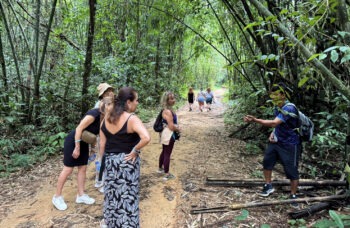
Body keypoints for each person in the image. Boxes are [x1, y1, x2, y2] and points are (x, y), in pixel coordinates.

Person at [52, 83, 114, 211]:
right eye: (110, 106)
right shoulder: (94, 113)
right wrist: (77, 147)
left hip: (85, 142)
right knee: (68, 169)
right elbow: (79, 128)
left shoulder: (104, 118)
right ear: (104, 105)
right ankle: (57, 196)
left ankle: (80, 195)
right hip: (74, 140)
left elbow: (96, 136)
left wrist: (93, 149)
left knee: (83, 168)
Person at [243, 83, 301, 209]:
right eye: (272, 94)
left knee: (291, 169)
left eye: (275, 94)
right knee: (267, 162)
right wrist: (273, 133)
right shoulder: (277, 107)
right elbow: (279, 125)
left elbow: (274, 123)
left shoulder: (289, 108)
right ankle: (268, 185)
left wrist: (255, 120)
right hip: (276, 141)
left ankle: (293, 195)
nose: (273, 97)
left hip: (290, 144)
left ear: (282, 95)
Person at [99, 87, 151, 228]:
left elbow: (102, 144)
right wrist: (135, 150)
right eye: (137, 100)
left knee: (112, 198)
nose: (138, 103)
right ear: (128, 102)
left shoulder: (106, 119)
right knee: (128, 198)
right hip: (127, 163)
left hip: (110, 163)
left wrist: (101, 166)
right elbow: (146, 138)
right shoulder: (131, 119)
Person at [158, 91, 181, 181]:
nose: (173, 100)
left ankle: (160, 168)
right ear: (166, 101)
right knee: (167, 153)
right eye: (171, 99)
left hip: (165, 133)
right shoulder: (168, 112)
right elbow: (171, 127)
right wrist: (178, 129)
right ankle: (167, 174)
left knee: (164, 151)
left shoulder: (165, 110)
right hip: (169, 134)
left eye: (173, 98)